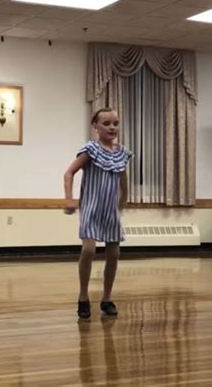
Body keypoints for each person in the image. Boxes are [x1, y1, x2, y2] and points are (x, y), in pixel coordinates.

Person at [63, 108, 132, 320]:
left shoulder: (122, 153)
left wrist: (122, 204)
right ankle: (83, 297)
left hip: (110, 212)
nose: (112, 127)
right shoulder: (90, 149)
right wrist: (69, 199)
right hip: (91, 208)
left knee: (114, 254)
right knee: (89, 251)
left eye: (115, 123)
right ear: (96, 126)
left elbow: (123, 182)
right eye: (106, 123)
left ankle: (106, 298)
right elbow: (69, 173)